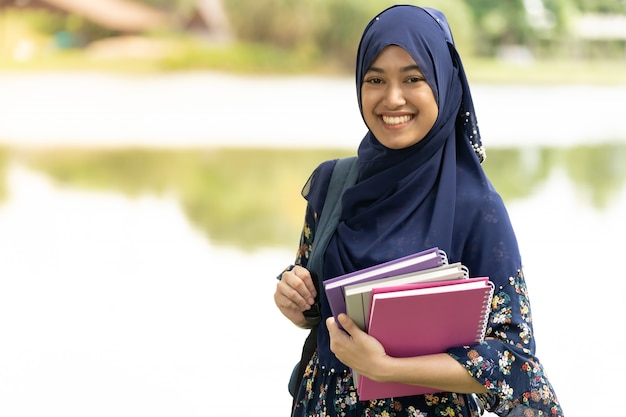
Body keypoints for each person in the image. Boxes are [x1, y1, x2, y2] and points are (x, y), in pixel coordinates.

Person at [274, 5, 563, 417]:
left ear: (443, 85)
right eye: (376, 79)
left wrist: (386, 368)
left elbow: (512, 362)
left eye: (413, 79)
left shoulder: (476, 208)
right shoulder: (332, 184)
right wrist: (295, 299)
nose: (392, 98)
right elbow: (316, 305)